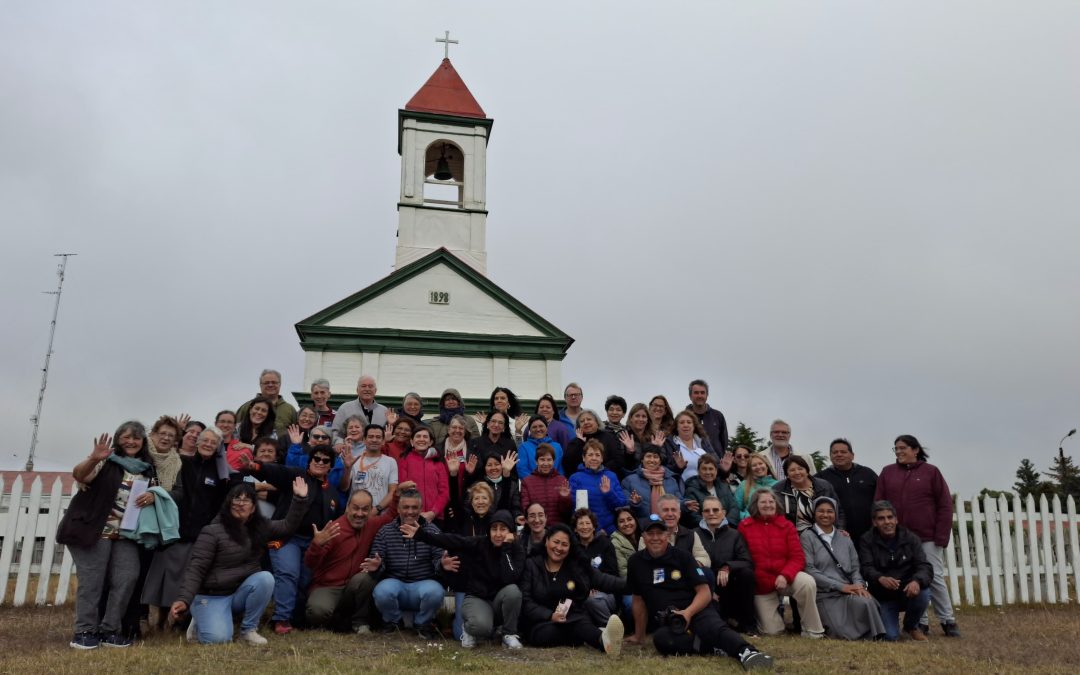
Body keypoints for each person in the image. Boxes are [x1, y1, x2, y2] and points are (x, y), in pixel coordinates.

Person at [169, 478, 311, 645]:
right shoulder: (212, 531)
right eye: (236, 499)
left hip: (237, 594)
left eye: (246, 500)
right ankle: (199, 623)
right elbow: (196, 569)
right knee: (218, 639)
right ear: (228, 504)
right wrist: (184, 599)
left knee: (265, 578)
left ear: (253, 508)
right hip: (212, 595)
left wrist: (299, 499)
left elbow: (288, 526)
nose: (240, 503)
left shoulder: (260, 527)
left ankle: (248, 630)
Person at [58, 422, 159, 649]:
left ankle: (109, 630)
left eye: (136, 438)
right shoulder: (106, 460)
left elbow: (153, 493)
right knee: (92, 581)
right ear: (117, 439)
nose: (131, 442)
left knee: (127, 577)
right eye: (125, 437)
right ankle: (84, 631)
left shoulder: (146, 468)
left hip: (126, 533)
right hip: (93, 530)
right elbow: (80, 475)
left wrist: (153, 496)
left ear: (143, 442)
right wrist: (94, 458)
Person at [625, 515, 773, 670]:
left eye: (660, 533)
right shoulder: (635, 562)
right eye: (650, 533)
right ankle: (712, 648)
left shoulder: (683, 557)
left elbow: (704, 592)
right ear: (643, 536)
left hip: (696, 609)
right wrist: (639, 635)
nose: (655, 538)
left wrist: (687, 613)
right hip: (670, 619)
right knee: (662, 640)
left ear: (667, 535)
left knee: (713, 628)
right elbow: (638, 599)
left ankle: (747, 652)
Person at [239, 443, 343, 634]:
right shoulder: (297, 476)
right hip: (287, 538)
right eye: (316, 459)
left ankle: (297, 619)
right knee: (288, 573)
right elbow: (276, 472)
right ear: (309, 462)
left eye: (325, 460)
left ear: (330, 466)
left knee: (304, 579)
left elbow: (338, 518)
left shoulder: (332, 493)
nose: (320, 462)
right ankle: (282, 619)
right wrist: (255, 466)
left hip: (313, 543)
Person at [142, 428, 235, 634]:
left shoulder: (221, 474)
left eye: (213, 442)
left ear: (218, 446)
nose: (209, 444)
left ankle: (181, 624)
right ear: (198, 442)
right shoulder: (184, 464)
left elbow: (222, 505)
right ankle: (158, 622)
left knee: (188, 580)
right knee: (166, 577)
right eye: (205, 440)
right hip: (174, 530)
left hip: (200, 534)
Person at [874, 435, 960, 638]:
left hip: (928, 537)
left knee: (934, 576)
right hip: (898, 538)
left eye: (903, 448)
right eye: (895, 448)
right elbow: (878, 503)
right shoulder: (887, 473)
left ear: (916, 450)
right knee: (910, 577)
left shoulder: (931, 472)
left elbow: (945, 505)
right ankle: (920, 623)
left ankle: (948, 620)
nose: (899, 452)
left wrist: (941, 536)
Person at [403, 509, 526, 649]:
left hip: (499, 600)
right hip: (478, 598)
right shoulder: (480, 543)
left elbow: (510, 577)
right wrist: (421, 535)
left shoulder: (516, 549)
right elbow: (452, 540)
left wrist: (506, 549)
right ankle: (468, 629)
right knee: (481, 629)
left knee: (513, 591)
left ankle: (508, 635)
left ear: (511, 532)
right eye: (494, 529)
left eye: (503, 529)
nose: (498, 534)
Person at [304, 485, 404, 633]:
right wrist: (316, 545)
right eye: (355, 508)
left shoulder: (371, 524)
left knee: (366, 577)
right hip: (328, 586)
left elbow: (390, 517)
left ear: (371, 510)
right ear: (347, 508)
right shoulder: (334, 529)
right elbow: (310, 563)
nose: (359, 513)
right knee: (317, 613)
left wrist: (397, 495)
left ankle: (360, 622)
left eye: (365, 509)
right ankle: (337, 620)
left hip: (353, 586)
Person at [520, 524, 626, 654]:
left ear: (570, 548)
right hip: (541, 623)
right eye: (556, 542)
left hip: (572, 618)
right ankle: (598, 634)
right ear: (547, 541)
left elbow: (604, 580)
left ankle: (605, 642)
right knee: (551, 633)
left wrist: (633, 584)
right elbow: (526, 601)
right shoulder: (531, 564)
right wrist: (550, 616)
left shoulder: (576, 566)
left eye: (564, 544)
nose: (559, 548)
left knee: (580, 623)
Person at [738, 488, 825, 639]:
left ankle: (813, 630)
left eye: (771, 501)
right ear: (755, 505)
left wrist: (785, 575)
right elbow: (744, 558)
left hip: (785, 578)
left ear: (776, 504)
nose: (768, 505)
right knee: (773, 632)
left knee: (807, 582)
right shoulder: (744, 527)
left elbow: (797, 557)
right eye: (763, 502)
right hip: (762, 586)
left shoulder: (787, 526)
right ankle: (775, 619)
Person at [800, 496, 884, 640]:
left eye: (830, 511)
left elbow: (855, 567)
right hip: (825, 593)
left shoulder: (844, 537)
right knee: (840, 632)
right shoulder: (807, 537)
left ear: (836, 514)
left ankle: (876, 635)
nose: (825, 515)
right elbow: (810, 569)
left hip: (849, 591)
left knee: (867, 602)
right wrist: (840, 586)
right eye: (821, 511)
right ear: (814, 513)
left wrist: (859, 585)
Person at [367, 489, 447, 639]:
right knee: (382, 590)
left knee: (435, 591)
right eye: (405, 507)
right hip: (395, 584)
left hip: (423, 585)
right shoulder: (385, 532)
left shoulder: (432, 531)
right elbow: (377, 558)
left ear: (421, 509)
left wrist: (442, 564)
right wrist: (377, 566)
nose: (410, 512)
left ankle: (422, 624)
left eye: (414, 507)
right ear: (398, 509)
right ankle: (393, 622)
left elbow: (439, 560)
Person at [859, 501, 933, 642]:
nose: (887, 522)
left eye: (890, 517)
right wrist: (880, 578)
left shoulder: (911, 538)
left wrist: (916, 581)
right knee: (890, 637)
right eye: (881, 518)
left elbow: (925, 566)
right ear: (874, 522)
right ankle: (891, 623)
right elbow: (866, 567)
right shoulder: (866, 540)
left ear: (896, 519)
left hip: (908, 592)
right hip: (884, 596)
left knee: (924, 593)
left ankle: (911, 626)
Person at [696, 496, 757, 635]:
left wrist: (727, 566)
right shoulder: (693, 534)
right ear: (702, 514)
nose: (711, 513)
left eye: (715, 510)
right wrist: (708, 589)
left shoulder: (735, 535)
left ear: (723, 513)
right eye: (707, 510)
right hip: (704, 587)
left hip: (729, 587)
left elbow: (747, 561)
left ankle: (748, 625)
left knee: (747, 574)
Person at [817, 438, 878, 543]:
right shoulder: (821, 478)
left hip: (870, 534)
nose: (839, 454)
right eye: (835, 452)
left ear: (852, 455)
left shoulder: (868, 474)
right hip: (837, 535)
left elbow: (881, 498)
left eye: (843, 452)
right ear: (830, 456)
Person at [571, 508, 619, 626]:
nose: (585, 526)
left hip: (606, 592)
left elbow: (612, 572)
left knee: (593, 600)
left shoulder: (605, 543)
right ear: (575, 529)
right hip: (582, 593)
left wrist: (598, 587)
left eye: (588, 523)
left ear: (594, 527)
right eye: (581, 524)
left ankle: (610, 627)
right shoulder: (572, 549)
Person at [568, 439, 628, 534]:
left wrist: (609, 493)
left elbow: (621, 504)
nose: (594, 458)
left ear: (602, 459)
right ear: (584, 458)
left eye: (597, 455)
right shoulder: (575, 478)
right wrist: (597, 529)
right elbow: (577, 510)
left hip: (612, 530)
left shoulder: (611, 476)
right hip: (588, 531)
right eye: (590, 455)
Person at [636, 493, 710, 568]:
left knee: (707, 574)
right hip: (658, 577)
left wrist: (688, 566)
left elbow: (705, 559)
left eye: (673, 510)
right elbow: (643, 563)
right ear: (658, 514)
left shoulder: (691, 535)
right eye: (665, 510)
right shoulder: (646, 536)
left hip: (685, 577)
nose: (670, 514)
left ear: (679, 514)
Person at [774, 456, 845, 533]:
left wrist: (839, 530)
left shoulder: (824, 486)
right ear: (787, 474)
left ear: (807, 471)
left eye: (800, 469)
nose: (797, 472)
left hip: (823, 534)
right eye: (792, 470)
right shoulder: (778, 490)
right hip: (793, 536)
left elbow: (838, 511)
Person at [338, 424, 398, 512]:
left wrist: (377, 509)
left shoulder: (390, 462)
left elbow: (392, 491)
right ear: (364, 440)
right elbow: (344, 488)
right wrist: (348, 468)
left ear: (383, 441)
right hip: (355, 513)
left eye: (378, 437)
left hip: (380, 514)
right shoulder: (354, 460)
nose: (374, 440)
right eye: (370, 437)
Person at [396, 426, 450, 525]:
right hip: (410, 515)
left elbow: (444, 492)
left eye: (425, 437)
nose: (421, 439)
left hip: (435, 517)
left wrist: (433, 512)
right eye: (418, 436)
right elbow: (402, 488)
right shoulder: (404, 460)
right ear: (412, 441)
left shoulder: (439, 462)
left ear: (430, 442)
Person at [563, 410, 629, 479]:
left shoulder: (610, 437)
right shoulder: (575, 441)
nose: (586, 422)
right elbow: (568, 463)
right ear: (579, 426)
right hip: (583, 479)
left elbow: (618, 460)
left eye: (589, 419)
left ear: (597, 422)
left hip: (606, 478)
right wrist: (580, 442)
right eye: (582, 421)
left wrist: (599, 470)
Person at [622, 445, 683, 519]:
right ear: (642, 459)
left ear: (660, 461)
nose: (652, 460)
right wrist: (635, 503)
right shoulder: (629, 481)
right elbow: (624, 505)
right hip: (643, 525)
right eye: (648, 456)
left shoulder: (671, 480)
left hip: (668, 523)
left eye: (655, 457)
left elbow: (678, 502)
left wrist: (686, 504)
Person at [519, 443, 572, 526]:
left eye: (549, 460)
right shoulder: (527, 482)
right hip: (536, 529)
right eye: (542, 459)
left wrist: (564, 498)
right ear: (536, 461)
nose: (546, 463)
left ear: (554, 461)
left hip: (557, 529)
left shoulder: (562, 480)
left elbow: (566, 513)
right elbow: (526, 509)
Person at [236, 369, 298, 437]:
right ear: (260, 385)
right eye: (266, 383)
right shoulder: (246, 407)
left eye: (274, 382)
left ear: (280, 384)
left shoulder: (290, 410)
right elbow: (235, 431)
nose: (270, 385)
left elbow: (297, 434)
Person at [682, 453, 738, 528]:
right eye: (704, 469)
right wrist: (712, 525)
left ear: (716, 471)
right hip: (704, 531)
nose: (708, 472)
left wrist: (726, 523)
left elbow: (733, 507)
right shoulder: (691, 489)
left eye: (711, 469)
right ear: (698, 471)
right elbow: (693, 516)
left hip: (727, 528)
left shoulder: (723, 486)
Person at [664, 410, 722, 481]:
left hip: (707, 486)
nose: (685, 425)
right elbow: (665, 469)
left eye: (689, 422)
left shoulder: (703, 442)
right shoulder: (669, 443)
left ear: (694, 426)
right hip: (682, 488)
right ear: (676, 427)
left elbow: (716, 465)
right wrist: (677, 467)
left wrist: (725, 470)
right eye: (682, 422)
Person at [332, 375, 388, 443]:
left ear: (375, 390)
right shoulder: (345, 408)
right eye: (363, 386)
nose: (367, 389)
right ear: (357, 390)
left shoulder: (384, 411)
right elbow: (335, 432)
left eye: (370, 386)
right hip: (351, 451)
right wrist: (339, 443)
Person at [686, 379, 730, 455]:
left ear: (707, 395)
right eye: (696, 393)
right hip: (693, 463)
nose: (700, 396)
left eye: (702, 393)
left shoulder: (718, 416)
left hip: (715, 463)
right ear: (690, 396)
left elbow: (724, 442)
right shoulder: (684, 418)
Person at [478, 452, 523, 524]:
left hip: (507, 525)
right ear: (484, 468)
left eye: (497, 464)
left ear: (502, 466)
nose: (493, 468)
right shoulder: (479, 486)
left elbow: (515, 507)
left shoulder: (513, 485)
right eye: (489, 465)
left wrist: (517, 517)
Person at [147, 415, 184, 491]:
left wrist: (156, 496)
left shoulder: (176, 462)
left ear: (175, 440)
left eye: (171, 435)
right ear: (153, 434)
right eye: (163, 433)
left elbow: (179, 492)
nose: (166, 438)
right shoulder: (140, 451)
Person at [735, 454, 778, 520]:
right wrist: (747, 517)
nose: (758, 467)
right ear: (750, 469)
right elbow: (735, 509)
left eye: (760, 463)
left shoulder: (778, 484)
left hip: (773, 525)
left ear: (767, 466)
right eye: (754, 465)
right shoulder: (744, 485)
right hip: (750, 526)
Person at [610, 507, 639, 579]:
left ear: (635, 520)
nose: (626, 523)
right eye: (621, 521)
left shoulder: (645, 535)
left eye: (629, 519)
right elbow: (624, 573)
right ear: (617, 525)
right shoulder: (615, 543)